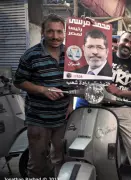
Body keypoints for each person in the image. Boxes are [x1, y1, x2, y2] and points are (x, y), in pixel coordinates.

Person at [13, 14, 73, 178]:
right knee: (37, 163)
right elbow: (18, 81)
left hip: (62, 118)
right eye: (50, 31)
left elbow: (75, 82)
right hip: (38, 119)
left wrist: (70, 105)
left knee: (61, 160)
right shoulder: (31, 55)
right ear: (42, 32)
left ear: (65, 33)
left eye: (60, 32)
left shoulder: (71, 54)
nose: (55, 36)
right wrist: (42, 90)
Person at [106, 31, 131, 180]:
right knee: (99, 146)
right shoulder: (105, 56)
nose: (128, 44)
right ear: (118, 41)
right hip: (102, 107)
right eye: (125, 41)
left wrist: (119, 92)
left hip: (125, 108)